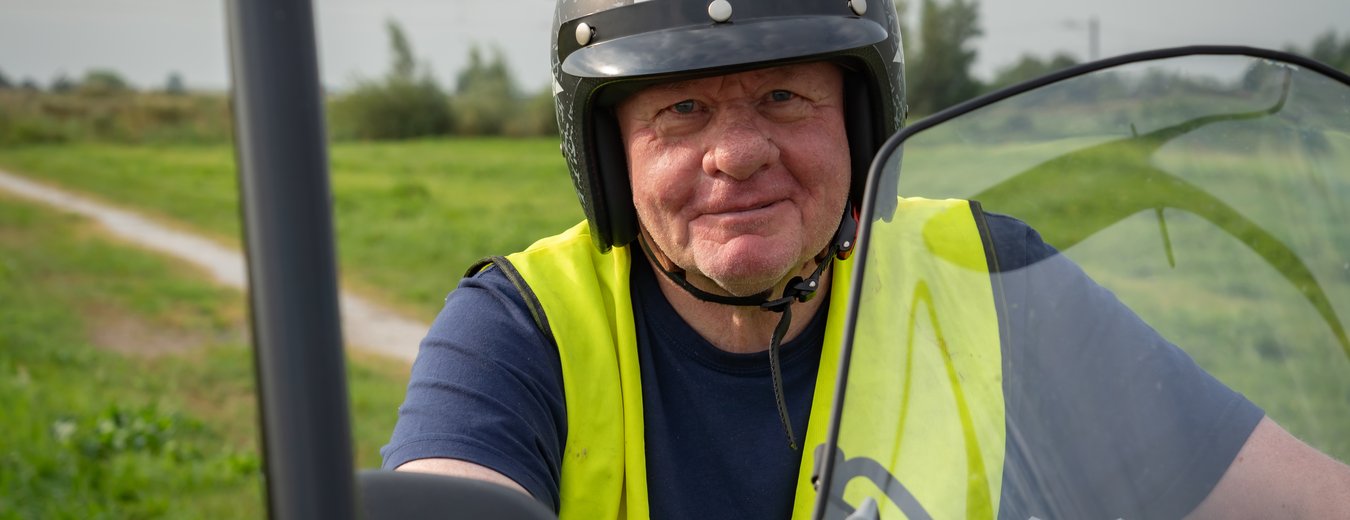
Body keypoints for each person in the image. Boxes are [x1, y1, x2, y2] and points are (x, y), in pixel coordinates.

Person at [381, 0, 1350, 518]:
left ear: (859, 122)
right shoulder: (523, 324)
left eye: (785, 99)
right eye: (683, 109)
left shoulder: (986, 274)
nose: (738, 151)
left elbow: (1290, 495)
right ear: (608, 153)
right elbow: (456, 487)